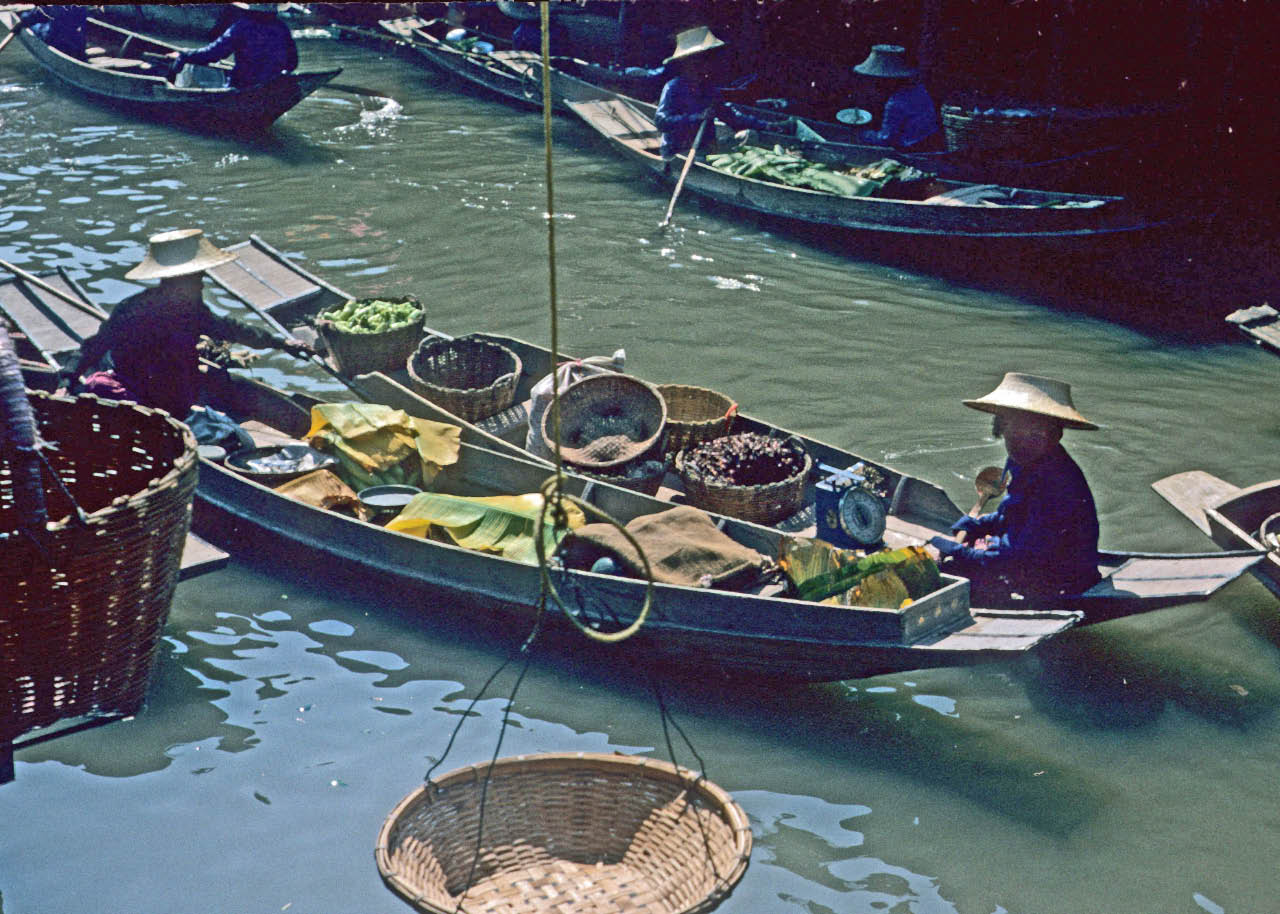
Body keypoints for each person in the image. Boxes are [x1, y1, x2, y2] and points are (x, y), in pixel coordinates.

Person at [59, 229, 314, 420]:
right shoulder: (134, 312)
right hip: (149, 402)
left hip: (177, 398)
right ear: (176, 282)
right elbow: (94, 346)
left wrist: (281, 343)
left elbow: (232, 329)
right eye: (197, 279)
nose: (202, 285)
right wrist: (67, 379)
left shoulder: (187, 310)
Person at [925, 372, 1102, 605]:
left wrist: (960, 553)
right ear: (1003, 432)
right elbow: (1013, 514)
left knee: (942, 570)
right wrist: (981, 524)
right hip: (1030, 554)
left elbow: (1019, 557)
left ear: (1055, 436)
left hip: (1060, 578)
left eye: (1035, 436)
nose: (1022, 445)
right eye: (1013, 435)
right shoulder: (1023, 460)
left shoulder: (1058, 485)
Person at [653, 26, 777, 160]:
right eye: (699, 61)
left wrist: (766, 125)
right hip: (677, 151)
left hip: (704, 149)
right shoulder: (673, 87)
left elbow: (730, 116)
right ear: (687, 64)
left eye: (706, 60)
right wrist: (697, 117)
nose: (705, 65)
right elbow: (661, 122)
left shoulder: (709, 89)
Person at [169, 3, 297, 90]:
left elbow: (214, 54)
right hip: (270, 85)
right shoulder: (282, 28)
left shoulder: (242, 27)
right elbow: (292, 63)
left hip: (242, 85)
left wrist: (186, 54)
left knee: (180, 61)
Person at [851, 44, 940, 150]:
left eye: (877, 80)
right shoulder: (919, 88)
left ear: (887, 81)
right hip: (932, 139)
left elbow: (886, 139)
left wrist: (862, 134)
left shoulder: (895, 103)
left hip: (912, 147)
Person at [17, 5, 88, 59]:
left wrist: (22, 21)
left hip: (55, 41)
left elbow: (34, 16)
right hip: (78, 43)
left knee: (27, 18)